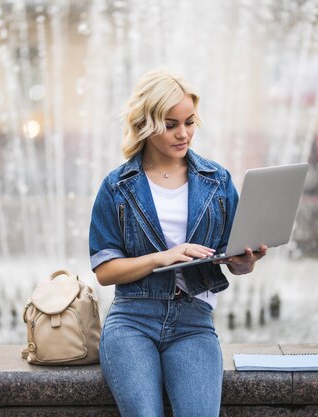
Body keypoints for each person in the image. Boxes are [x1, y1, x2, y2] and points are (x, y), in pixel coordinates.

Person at [88, 68, 267, 417]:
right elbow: (105, 271)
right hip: (132, 321)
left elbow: (239, 261)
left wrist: (246, 260)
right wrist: (164, 257)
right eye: (170, 125)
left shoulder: (217, 181)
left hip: (194, 321)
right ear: (146, 125)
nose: (183, 133)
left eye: (189, 122)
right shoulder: (117, 186)